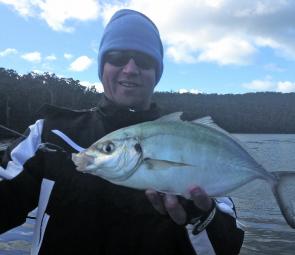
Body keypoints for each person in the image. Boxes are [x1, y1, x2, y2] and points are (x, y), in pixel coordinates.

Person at [0, 9, 244, 255]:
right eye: (117, 57)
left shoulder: (189, 140)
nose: (130, 68)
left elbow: (227, 248)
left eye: (144, 60)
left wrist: (199, 215)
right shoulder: (50, 132)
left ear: (157, 73)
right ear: (102, 65)